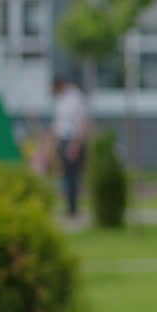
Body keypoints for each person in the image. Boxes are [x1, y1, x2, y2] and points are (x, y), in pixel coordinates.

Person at [50, 75, 90, 217]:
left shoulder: (75, 99)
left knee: (73, 176)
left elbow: (81, 123)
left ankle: (73, 208)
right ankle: (69, 206)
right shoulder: (60, 100)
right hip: (62, 140)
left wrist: (75, 144)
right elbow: (58, 123)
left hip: (72, 141)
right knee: (65, 175)